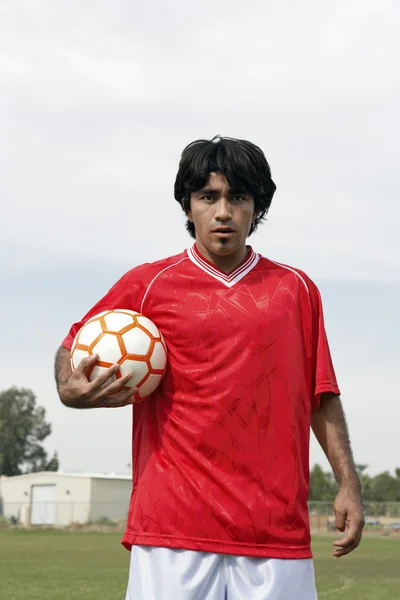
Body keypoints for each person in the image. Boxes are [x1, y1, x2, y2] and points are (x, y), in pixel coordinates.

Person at [54, 136, 364, 600]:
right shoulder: (147, 285)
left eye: (238, 197)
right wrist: (68, 386)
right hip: (172, 529)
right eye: (208, 197)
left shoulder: (295, 289)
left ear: (256, 207)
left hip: (273, 529)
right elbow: (73, 347)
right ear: (188, 205)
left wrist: (348, 484)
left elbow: (321, 394)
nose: (223, 211)